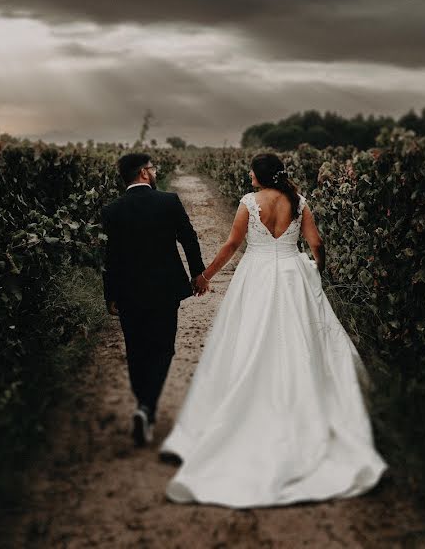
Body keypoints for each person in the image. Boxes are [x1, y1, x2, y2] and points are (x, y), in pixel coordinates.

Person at [159, 152, 388, 508]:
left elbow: (232, 245)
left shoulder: (250, 203)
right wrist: (315, 269)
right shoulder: (298, 201)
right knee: (303, 339)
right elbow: (317, 243)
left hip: (259, 275)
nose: (248, 173)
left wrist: (204, 276)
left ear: (258, 175)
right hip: (293, 276)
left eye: (252, 169)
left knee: (249, 339)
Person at [101, 153, 207, 447]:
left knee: (136, 350)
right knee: (162, 348)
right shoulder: (168, 202)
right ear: (145, 174)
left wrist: (109, 294)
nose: (155, 171)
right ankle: (146, 407)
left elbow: (108, 259)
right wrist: (198, 273)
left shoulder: (111, 211)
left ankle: (143, 407)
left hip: (128, 291)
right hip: (164, 288)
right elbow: (189, 237)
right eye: (153, 167)